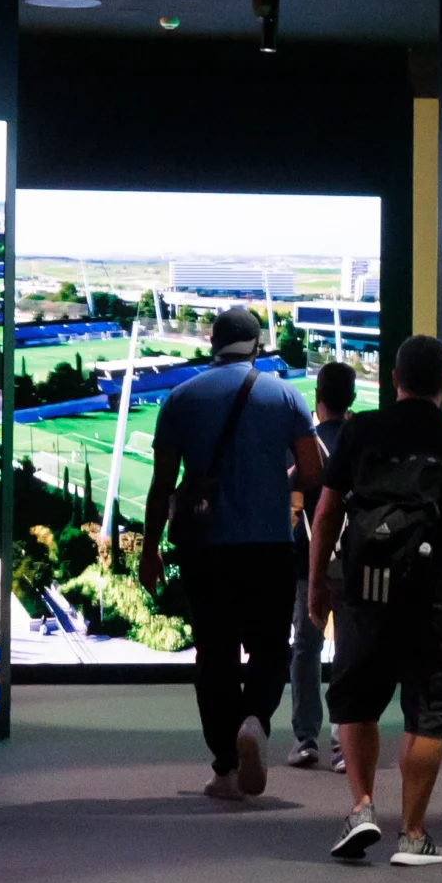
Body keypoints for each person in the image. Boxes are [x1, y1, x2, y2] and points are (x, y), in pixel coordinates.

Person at [307, 335, 442, 865]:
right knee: (426, 713)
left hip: (364, 589)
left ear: (394, 378)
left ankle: (362, 807)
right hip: (433, 591)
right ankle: (412, 835)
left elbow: (326, 514)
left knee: (356, 700)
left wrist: (321, 583)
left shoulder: (360, 430)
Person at [143, 307, 322, 801]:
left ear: (212, 342)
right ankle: (256, 721)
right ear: (257, 345)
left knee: (214, 654)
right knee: (269, 647)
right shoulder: (284, 396)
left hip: (205, 549)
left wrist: (150, 549)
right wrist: (275, 483)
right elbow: (311, 473)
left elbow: (162, 485)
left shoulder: (181, 398)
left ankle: (224, 766)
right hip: (268, 544)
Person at [285, 359, 356, 770]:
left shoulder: (307, 445)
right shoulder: (363, 440)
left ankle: (306, 738)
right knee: (348, 647)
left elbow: (292, 489)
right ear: (351, 398)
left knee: (305, 647)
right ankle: (344, 741)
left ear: (318, 398)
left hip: (308, 559)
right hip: (353, 560)